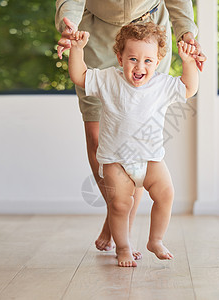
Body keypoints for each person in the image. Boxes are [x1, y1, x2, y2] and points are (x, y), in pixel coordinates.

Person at [55, 0, 206, 258]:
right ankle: (123, 242)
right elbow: (80, 76)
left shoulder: (160, 83)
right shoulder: (107, 78)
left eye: (148, 62)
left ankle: (153, 240)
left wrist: (189, 57)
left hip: (150, 158)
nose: (139, 67)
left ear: (157, 61)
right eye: (133, 61)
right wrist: (75, 46)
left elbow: (188, 89)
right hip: (115, 160)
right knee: (119, 202)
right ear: (119, 59)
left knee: (166, 193)